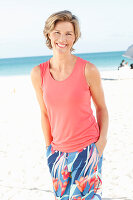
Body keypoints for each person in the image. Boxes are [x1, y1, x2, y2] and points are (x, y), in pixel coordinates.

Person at [31, 10, 109, 200]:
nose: (62, 39)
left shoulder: (88, 69)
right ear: (48, 34)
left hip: (88, 150)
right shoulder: (38, 73)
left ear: (75, 37)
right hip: (57, 155)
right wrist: (49, 148)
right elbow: (44, 113)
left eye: (69, 33)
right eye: (57, 32)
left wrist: (101, 144)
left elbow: (101, 108)